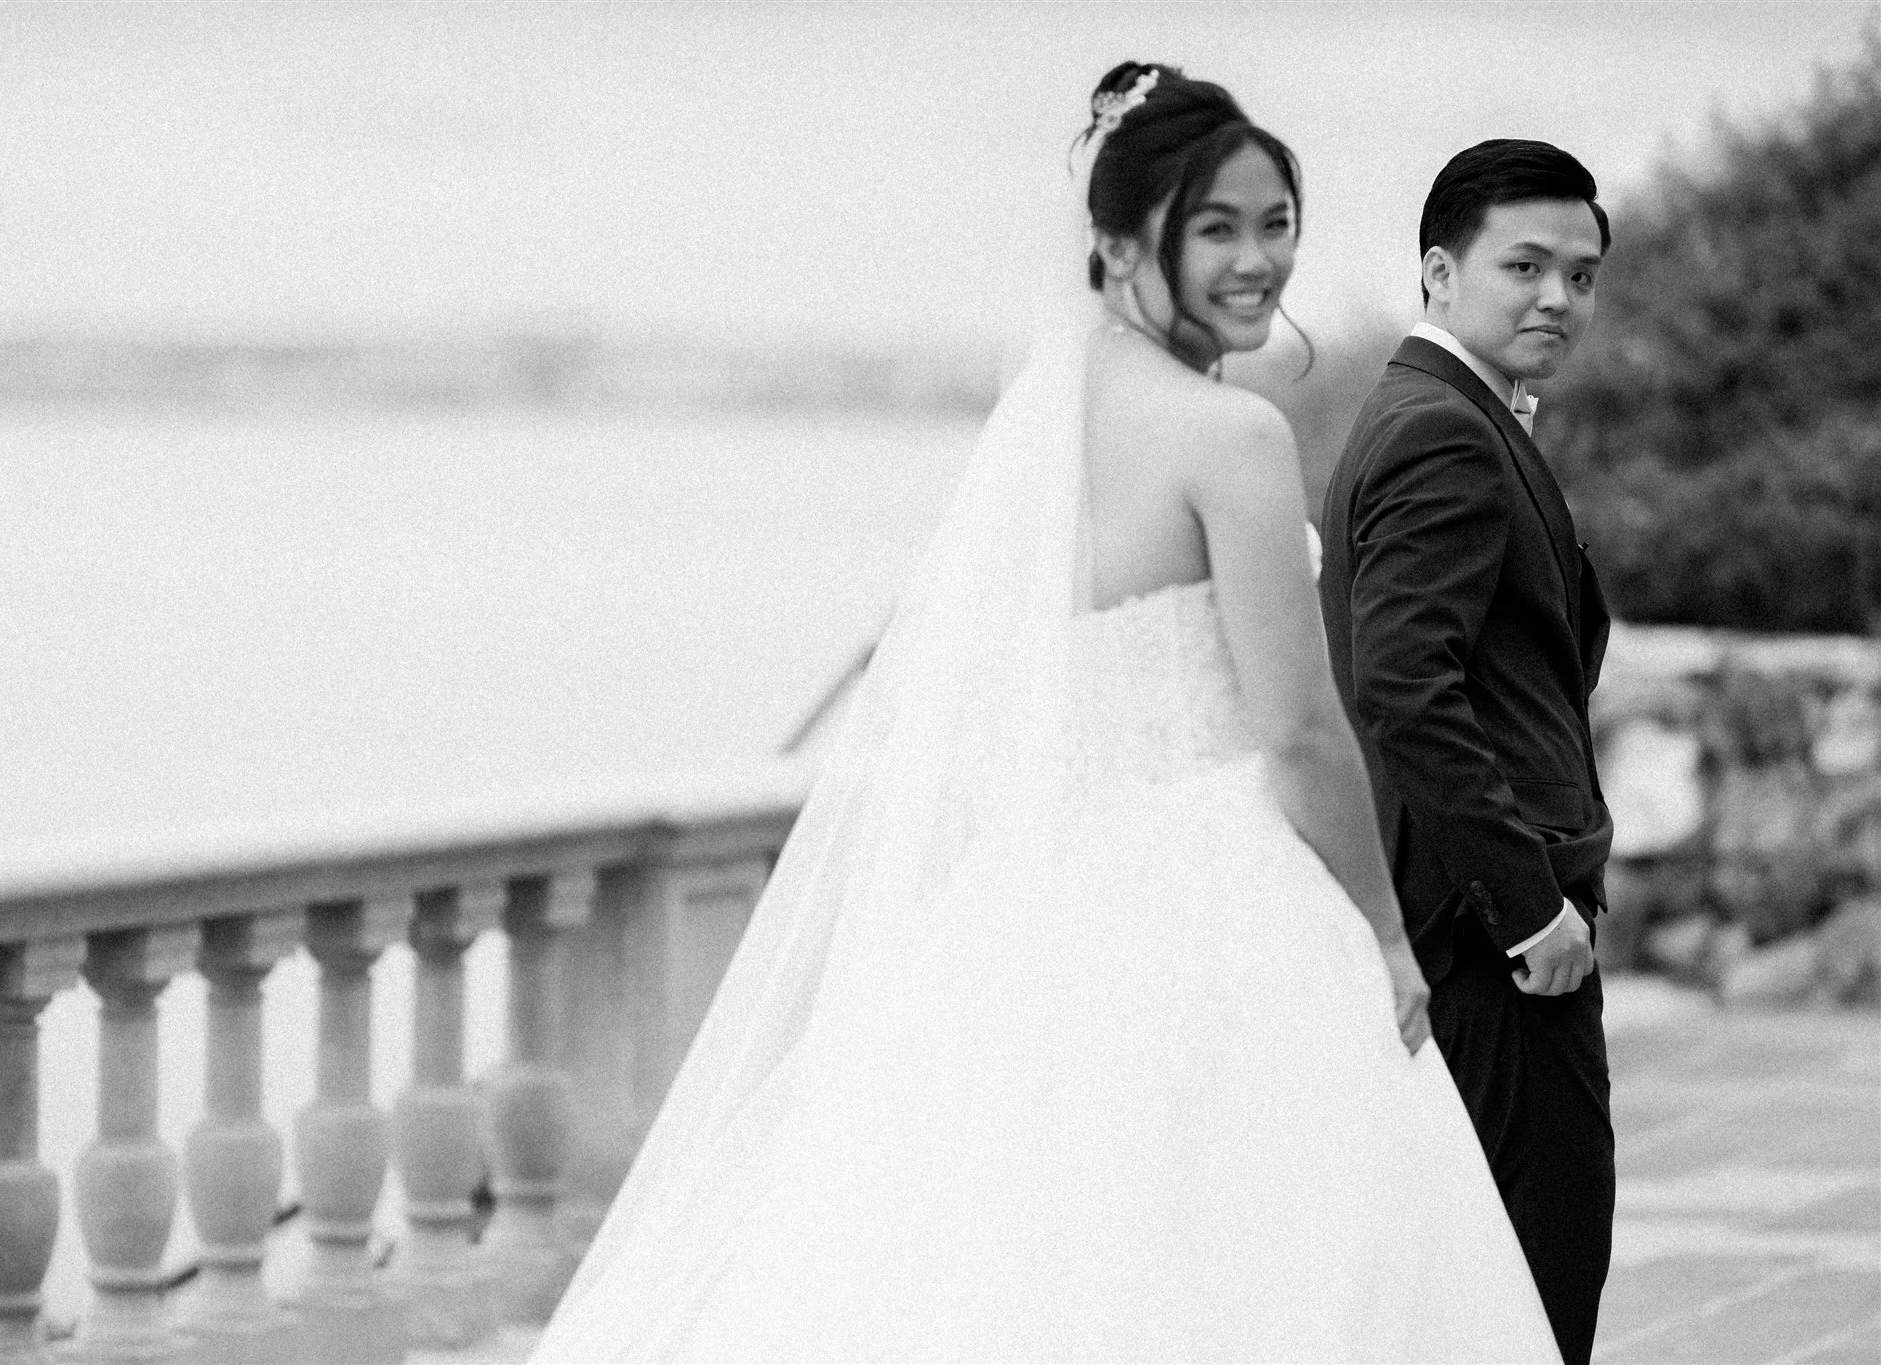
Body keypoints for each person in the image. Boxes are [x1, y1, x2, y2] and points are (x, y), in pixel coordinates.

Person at [532, 66, 1559, 1363]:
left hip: (1041, 893)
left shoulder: (1041, 427)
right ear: (1120, 245)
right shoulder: (1229, 436)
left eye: (1276, 223)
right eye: (1216, 229)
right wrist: (1384, 936)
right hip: (1218, 890)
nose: (1258, 261)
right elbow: (1300, 733)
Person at [1317, 140, 1615, 1365]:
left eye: (1580, 275)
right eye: (1524, 266)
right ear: (1438, 272)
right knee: (1535, 1277)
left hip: (1471, 922)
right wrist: (1526, 905)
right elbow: (1402, 688)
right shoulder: (1441, 433)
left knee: (1487, 1279)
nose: (1557, 298)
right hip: (1486, 936)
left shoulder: (1448, 415)